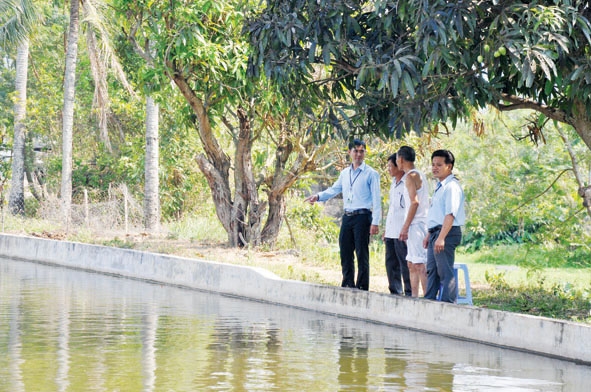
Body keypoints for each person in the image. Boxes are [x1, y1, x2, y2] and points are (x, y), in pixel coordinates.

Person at [305, 139, 381, 290]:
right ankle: (347, 282)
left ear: (365, 153)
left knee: (361, 253)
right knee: (345, 251)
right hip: (348, 216)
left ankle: (362, 286)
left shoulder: (371, 174)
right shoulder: (345, 173)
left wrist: (375, 222)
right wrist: (318, 196)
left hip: (362, 216)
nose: (359, 154)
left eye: (362, 151)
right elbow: (334, 190)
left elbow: (376, 199)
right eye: (356, 151)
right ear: (349, 152)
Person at [423, 149, 466, 303]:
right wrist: (430, 234)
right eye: (433, 164)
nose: (435, 168)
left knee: (444, 270)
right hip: (436, 232)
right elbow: (437, 214)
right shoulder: (439, 186)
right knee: (432, 270)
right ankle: (429, 301)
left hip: (447, 232)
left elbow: (450, 215)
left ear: (449, 166)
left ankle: (448, 303)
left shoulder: (452, 187)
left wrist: (441, 238)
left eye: (439, 165)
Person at [396, 146, 429, 297]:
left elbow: (414, 203)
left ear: (401, 159)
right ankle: (414, 297)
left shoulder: (411, 176)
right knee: (411, 263)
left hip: (417, 224)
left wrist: (405, 227)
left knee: (419, 264)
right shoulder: (416, 175)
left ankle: (427, 298)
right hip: (416, 224)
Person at [383, 154, 412, 295]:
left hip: (402, 231)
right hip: (391, 231)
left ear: (399, 166)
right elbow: (392, 209)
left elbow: (410, 207)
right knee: (391, 263)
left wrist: (406, 228)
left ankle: (409, 291)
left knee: (405, 264)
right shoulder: (393, 184)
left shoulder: (408, 182)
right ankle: (395, 291)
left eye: (390, 166)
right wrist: (386, 229)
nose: (388, 169)